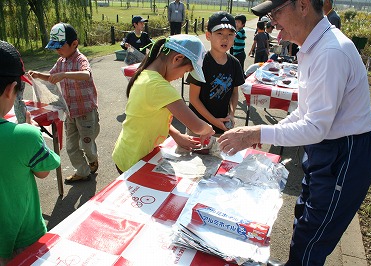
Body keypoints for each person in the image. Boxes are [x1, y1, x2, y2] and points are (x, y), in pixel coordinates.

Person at [218, 0, 371, 265]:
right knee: (304, 219)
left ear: (303, 5)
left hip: (344, 154)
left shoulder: (330, 52)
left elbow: (315, 126)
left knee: (313, 237)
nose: (273, 21)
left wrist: (255, 133)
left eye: (276, 12)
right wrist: (266, 132)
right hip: (327, 146)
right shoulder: (313, 47)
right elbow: (305, 112)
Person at [112, 34, 215, 173]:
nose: (181, 76)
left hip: (129, 152)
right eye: (186, 71)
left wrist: (176, 134)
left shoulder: (147, 75)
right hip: (134, 161)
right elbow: (196, 126)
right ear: (177, 59)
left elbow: (150, 117)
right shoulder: (159, 86)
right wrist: (209, 130)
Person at [0, 41, 60, 264]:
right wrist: (32, 130)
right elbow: (43, 172)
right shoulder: (24, 136)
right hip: (23, 235)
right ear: (10, 90)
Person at [29, 23, 100, 183]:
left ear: (74, 44)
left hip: (85, 112)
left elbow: (86, 74)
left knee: (87, 144)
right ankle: (83, 171)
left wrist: (65, 74)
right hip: (70, 111)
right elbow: (53, 77)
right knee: (71, 146)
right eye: (55, 47)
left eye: (60, 47)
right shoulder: (61, 61)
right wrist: (39, 75)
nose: (57, 51)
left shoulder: (81, 59)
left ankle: (93, 159)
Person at [186, 11, 245, 136]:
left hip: (222, 127)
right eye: (219, 33)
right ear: (208, 35)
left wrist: (231, 114)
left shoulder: (235, 63)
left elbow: (234, 93)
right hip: (198, 127)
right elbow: (193, 98)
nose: (225, 38)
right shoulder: (200, 62)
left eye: (230, 34)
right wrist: (214, 121)